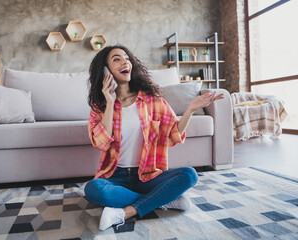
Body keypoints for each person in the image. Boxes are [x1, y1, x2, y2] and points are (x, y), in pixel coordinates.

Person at [85, 45, 224, 231]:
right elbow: (101, 142)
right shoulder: (100, 106)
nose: (125, 61)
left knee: (189, 175)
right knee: (93, 189)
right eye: (116, 59)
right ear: (105, 70)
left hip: (148, 176)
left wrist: (190, 109)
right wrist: (109, 102)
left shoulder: (152, 101)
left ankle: (126, 212)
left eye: (127, 58)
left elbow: (173, 134)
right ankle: (163, 199)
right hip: (116, 176)